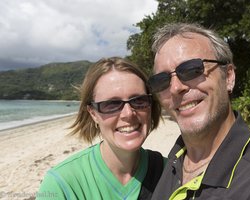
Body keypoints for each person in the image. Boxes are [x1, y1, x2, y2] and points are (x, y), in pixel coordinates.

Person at [148, 23, 250, 200]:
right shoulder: (175, 160)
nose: (175, 88)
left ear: (228, 77)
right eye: (162, 80)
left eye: (191, 69)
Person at [37, 57, 164, 200]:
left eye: (138, 100)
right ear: (93, 114)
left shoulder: (170, 172)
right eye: (112, 104)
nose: (128, 114)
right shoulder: (62, 184)